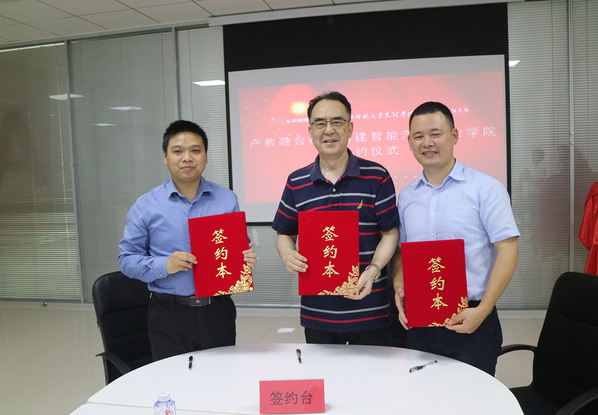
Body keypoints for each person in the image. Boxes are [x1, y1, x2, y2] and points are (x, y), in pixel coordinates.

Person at [391, 101, 519, 375]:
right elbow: (401, 251)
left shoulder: (485, 189)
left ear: (454, 135)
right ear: (409, 141)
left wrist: (483, 311)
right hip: (421, 320)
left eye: (435, 133)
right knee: (422, 393)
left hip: (472, 317)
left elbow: (509, 251)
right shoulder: (407, 196)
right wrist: (398, 283)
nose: (427, 143)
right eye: (418, 136)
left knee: (471, 396)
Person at [118, 120, 257, 361]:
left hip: (218, 311)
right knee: (174, 379)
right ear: (165, 157)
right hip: (169, 313)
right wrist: (164, 264)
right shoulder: (146, 206)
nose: (187, 158)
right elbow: (127, 260)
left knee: (220, 376)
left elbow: (237, 248)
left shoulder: (226, 199)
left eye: (195, 150)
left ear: (205, 156)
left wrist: (246, 258)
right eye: (178, 151)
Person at [272, 91, 399, 346]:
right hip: (318, 313)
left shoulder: (377, 175)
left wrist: (374, 269)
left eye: (337, 122)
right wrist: (288, 255)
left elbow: (390, 232)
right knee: (324, 372)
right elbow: (284, 233)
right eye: (320, 123)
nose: (328, 130)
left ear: (350, 128)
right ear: (310, 131)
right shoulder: (296, 181)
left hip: (370, 309)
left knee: (373, 371)